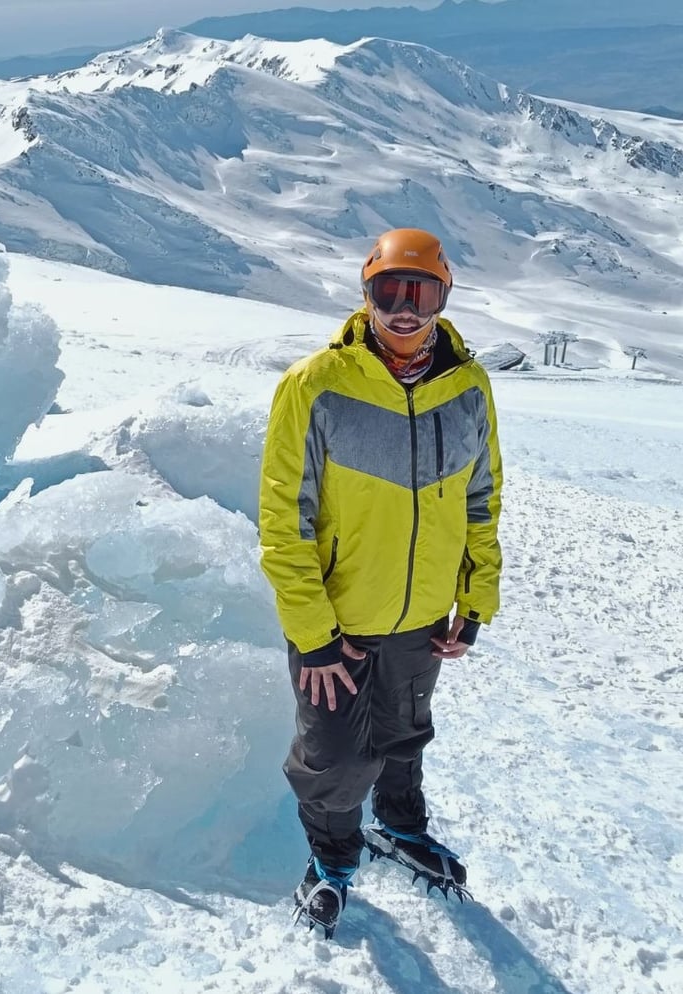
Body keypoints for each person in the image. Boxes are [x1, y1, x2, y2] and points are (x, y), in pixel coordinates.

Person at [258, 227, 503, 937]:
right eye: (387, 292)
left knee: (405, 735)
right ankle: (332, 858)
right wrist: (314, 634)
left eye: (419, 294)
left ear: (443, 297)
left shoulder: (468, 386)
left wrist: (474, 599)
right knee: (334, 758)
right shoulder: (316, 385)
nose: (403, 309)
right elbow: (284, 520)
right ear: (366, 295)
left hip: (422, 616)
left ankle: (399, 828)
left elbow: (482, 499)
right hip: (338, 622)